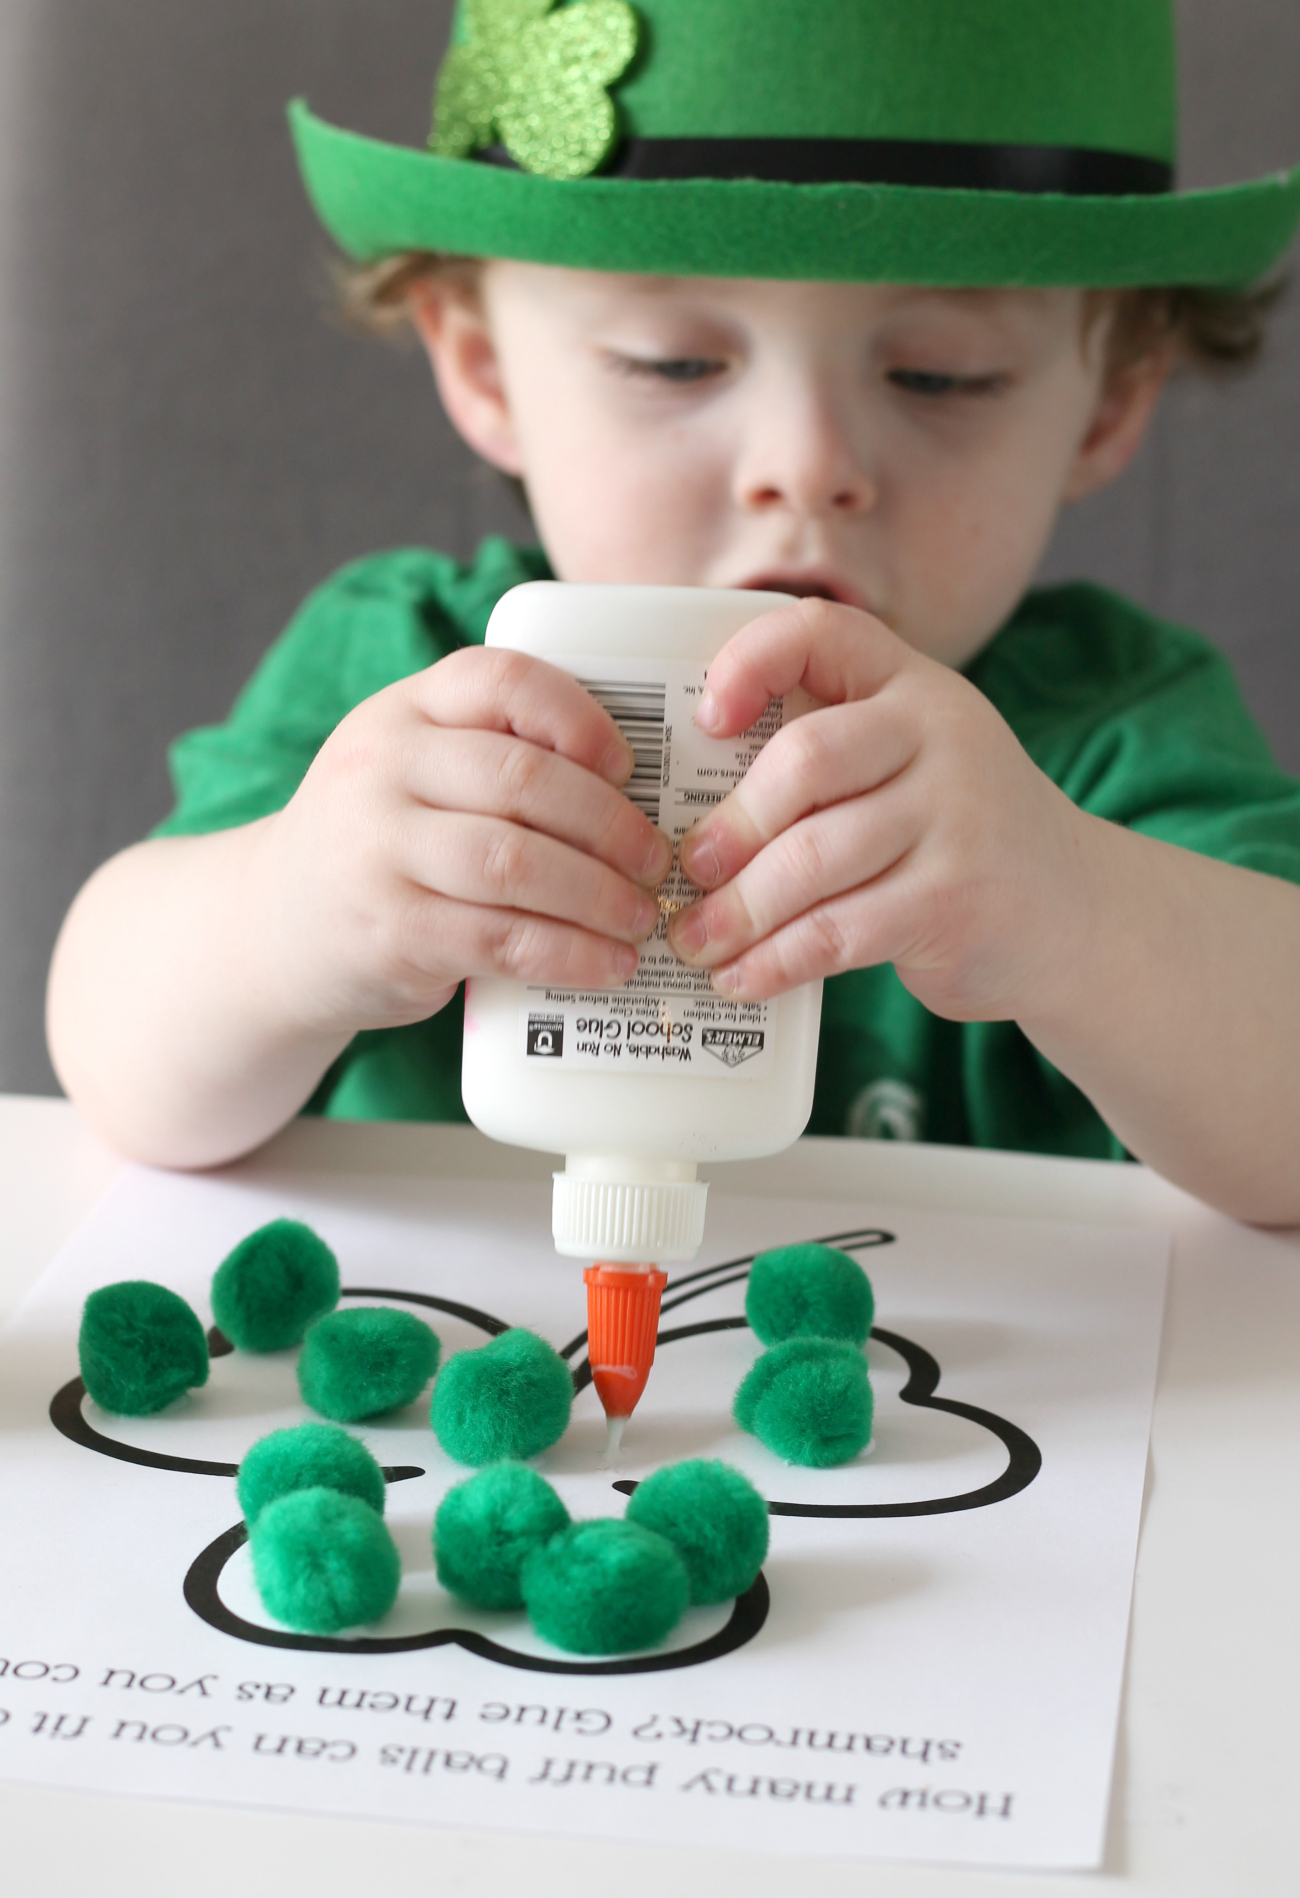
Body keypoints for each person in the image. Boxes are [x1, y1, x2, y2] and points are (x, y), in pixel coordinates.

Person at [46, 0, 1300, 1223]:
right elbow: (118, 1068)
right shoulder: (407, 677)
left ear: (1106, 402)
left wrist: (1072, 905)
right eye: (676, 363)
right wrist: (292, 908)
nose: (805, 465)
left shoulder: (1107, 736)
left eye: (940, 376)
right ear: (483, 364)